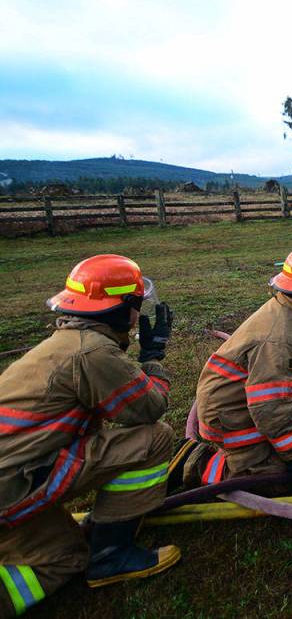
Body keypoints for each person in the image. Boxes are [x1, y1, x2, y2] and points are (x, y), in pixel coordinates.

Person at [0, 255, 179, 615]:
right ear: (122, 309)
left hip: (12, 476)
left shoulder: (65, 343)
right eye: (135, 304)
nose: (137, 313)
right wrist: (153, 357)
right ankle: (112, 554)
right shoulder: (92, 352)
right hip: (13, 485)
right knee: (155, 438)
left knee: (67, 546)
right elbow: (147, 408)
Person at [179, 247, 292, 489]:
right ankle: (200, 464)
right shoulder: (280, 336)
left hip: (258, 404)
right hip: (232, 416)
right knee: (273, 483)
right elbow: (270, 405)